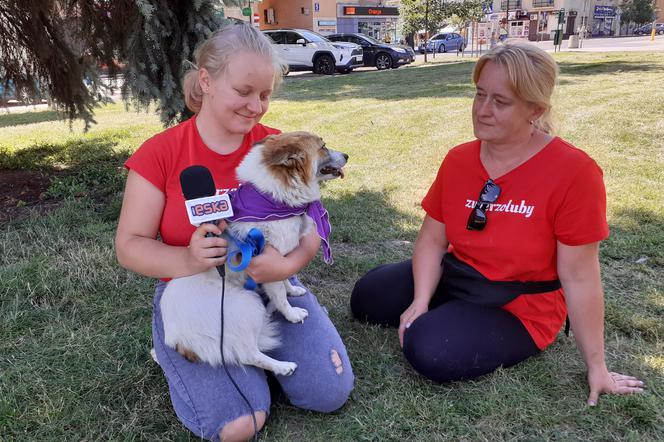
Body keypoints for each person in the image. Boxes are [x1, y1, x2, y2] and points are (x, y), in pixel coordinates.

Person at [350, 41, 643, 406]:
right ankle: (444, 309)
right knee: (366, 298)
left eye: (500, 102)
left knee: (429, 349)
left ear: (535, 110)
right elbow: (432, 239)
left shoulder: (574, 172)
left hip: (520, 304)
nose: (482, 111)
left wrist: (596, 365)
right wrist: (421, 299)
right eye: (479, 95)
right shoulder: (459, 159)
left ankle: (458, 322)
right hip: (458, 275)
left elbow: (580, 277)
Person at [115, 24, 353, 441]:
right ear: (206, 81)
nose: (256, 107)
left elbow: (312, 223)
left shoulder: (275, 147)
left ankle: (255, 361)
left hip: (272, 283)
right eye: (244, 92)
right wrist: (187, 259)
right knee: (239, 425)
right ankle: (185, 356)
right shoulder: (161, 153)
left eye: (264, 94)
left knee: (327, 392)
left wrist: (289, 263)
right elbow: (129, 246)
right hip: (196, 293)